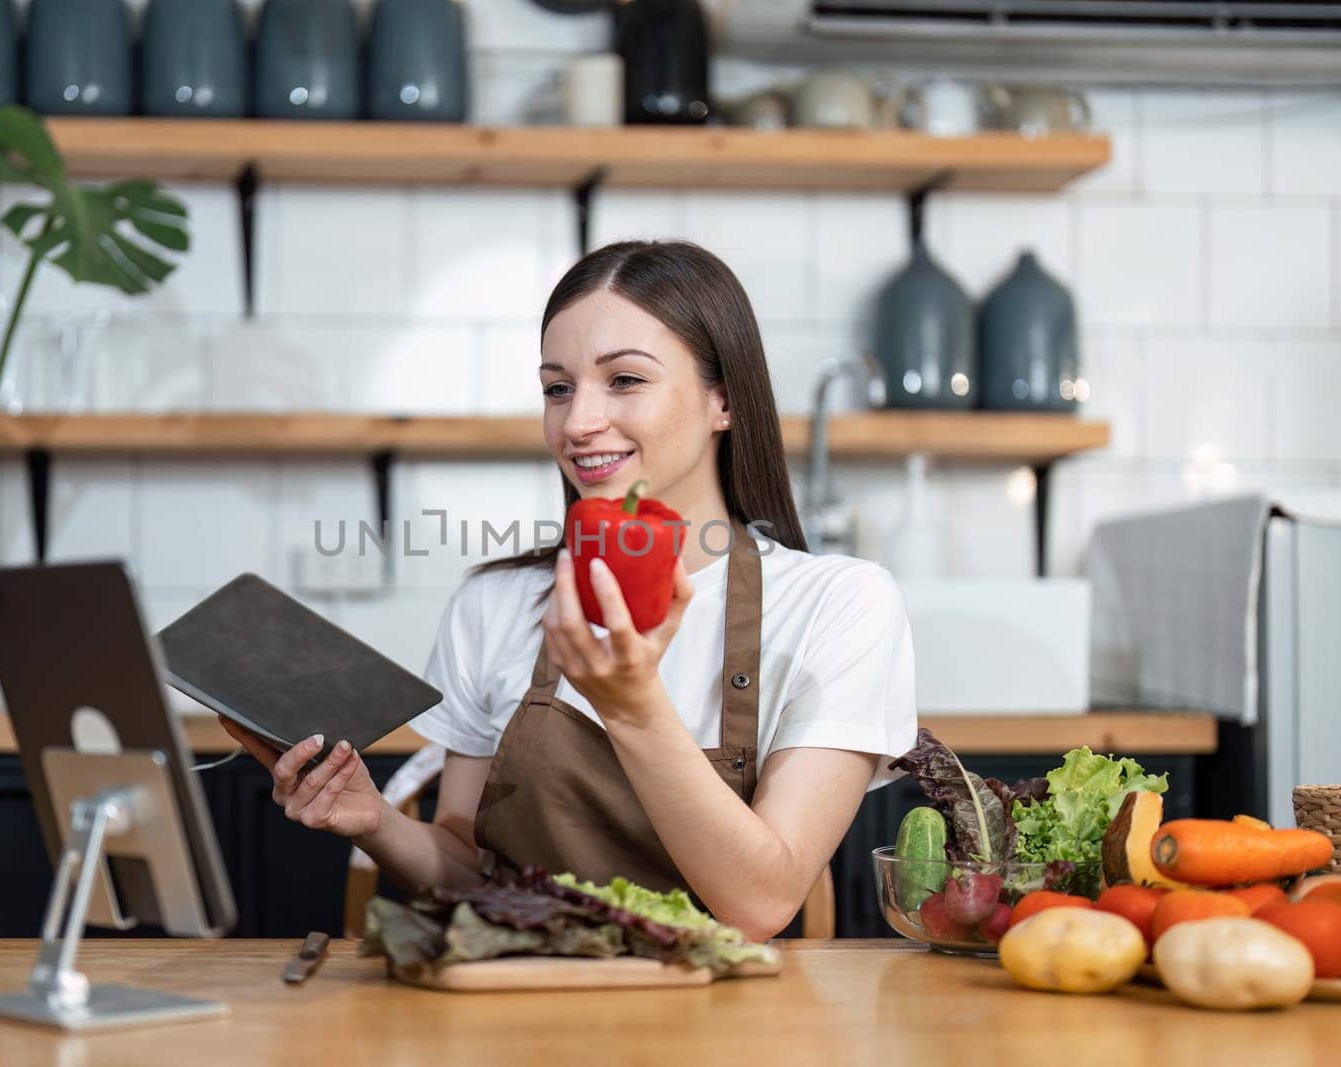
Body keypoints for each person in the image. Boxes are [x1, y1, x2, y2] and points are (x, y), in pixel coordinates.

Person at [219, 240, 916, 940]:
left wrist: (635, 707)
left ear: (723, 400)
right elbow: (471, 872)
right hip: (521, 1011)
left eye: (624, 380)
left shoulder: (838, 603)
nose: (577, 422)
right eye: (558, 387)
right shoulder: (493, 603)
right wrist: (375, 822)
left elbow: (761, 903)